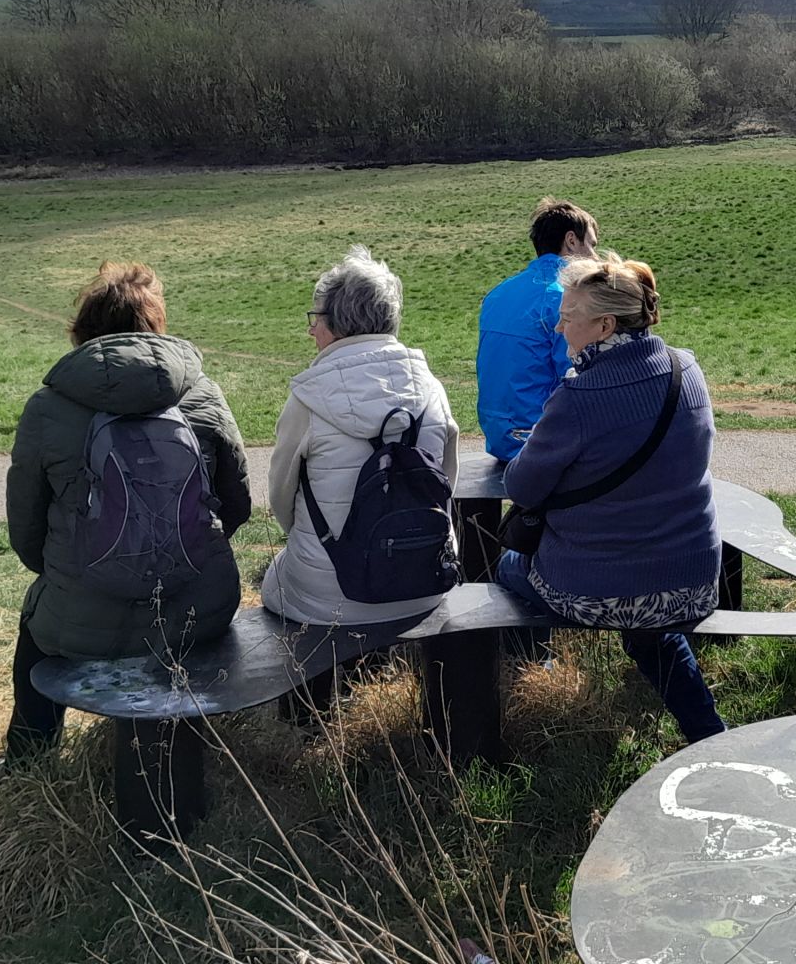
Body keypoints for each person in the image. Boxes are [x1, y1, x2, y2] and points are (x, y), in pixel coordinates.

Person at [0, 262, 250, 768]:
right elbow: (238, 503)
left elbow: (24, 525)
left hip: (81, 614)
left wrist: (64, 573)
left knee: (34, 631)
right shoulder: (203, 394)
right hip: (198, 609)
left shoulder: (48, 407)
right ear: (157, 326)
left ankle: (28, 760)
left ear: (83, 332)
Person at [494, 254, 726, 743]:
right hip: (695, 577)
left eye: (568, 316)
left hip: (600, 587)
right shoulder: (686, 368)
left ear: (603, 325)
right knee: (651, 630)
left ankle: (525, 680)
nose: (559, 327)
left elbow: (521, 487)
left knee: (506, 566)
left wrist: (537, 441)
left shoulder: (578, 397)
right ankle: (707, 733)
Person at [261, 246, 460, 625]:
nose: (310, 329)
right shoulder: (432, 387)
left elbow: (280, 499)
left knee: (273, 576)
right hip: (426, 582)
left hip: (329, 594)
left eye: (315, 318)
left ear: (337, 322)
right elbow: (446, 483)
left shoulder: (308, 397)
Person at [476, 198, 598, 462]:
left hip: (498, 435)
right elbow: (577, 380)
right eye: (591, 244)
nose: (595, 257)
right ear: (571, 241)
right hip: (539, 438)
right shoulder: (563, 299)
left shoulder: (497, 293)